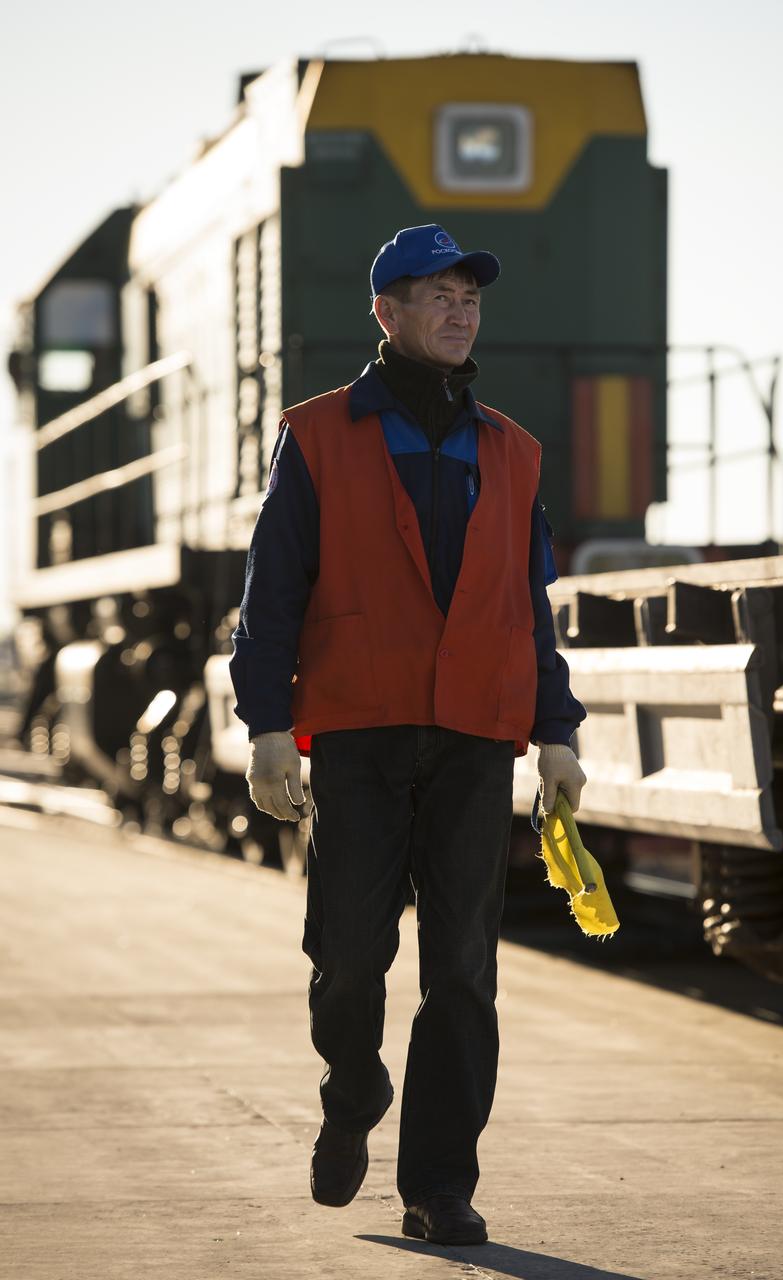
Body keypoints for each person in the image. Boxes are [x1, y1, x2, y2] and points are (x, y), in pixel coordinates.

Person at [230, 223, 587, 1247]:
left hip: (476, 737)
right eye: (436, 294)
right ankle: (352, 1091)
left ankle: (440, 1183)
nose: (459, 309)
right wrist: (265, 724)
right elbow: (273, 590)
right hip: (361, 733)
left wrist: (555, 730)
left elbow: (529, 605)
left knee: (464, 971)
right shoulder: (319, 433)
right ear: (385, 313)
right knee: (347, 955)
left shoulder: (510, 449)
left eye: (469, 295)